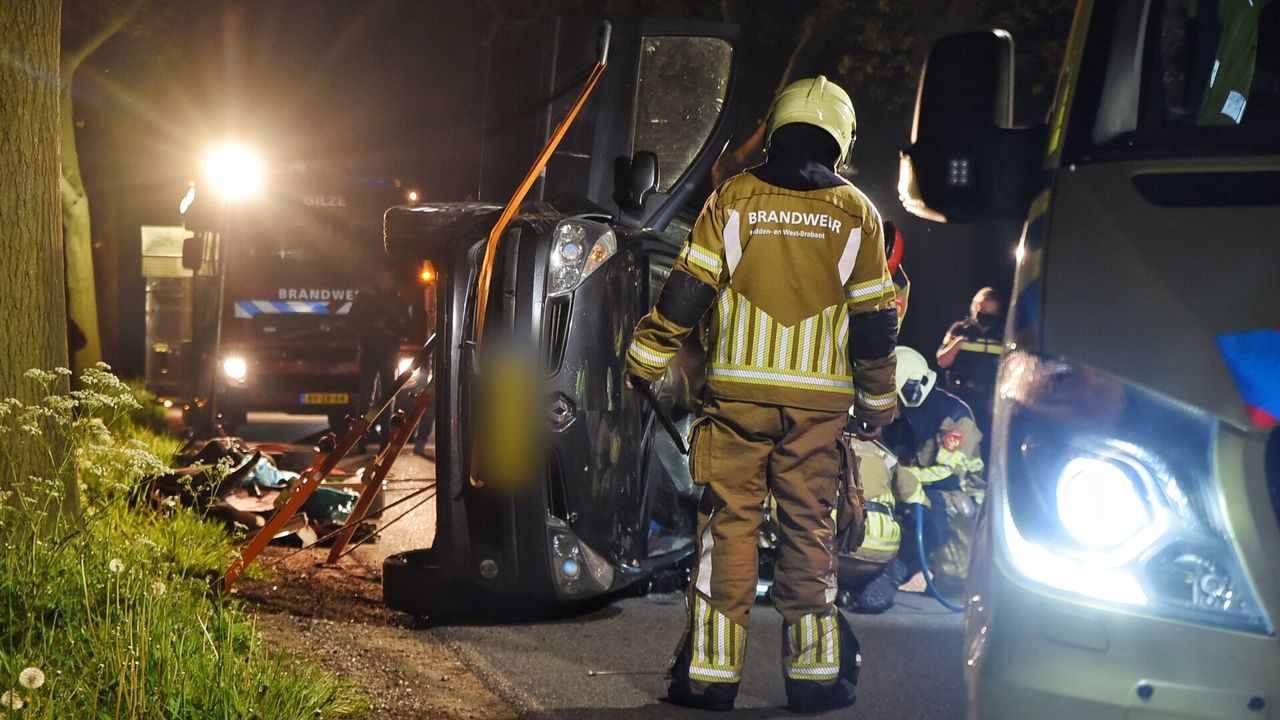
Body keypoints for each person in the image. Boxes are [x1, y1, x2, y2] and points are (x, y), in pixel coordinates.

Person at [625, 75, 898, 713]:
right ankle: (815, 680)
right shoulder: (857, 211)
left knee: (729, 529)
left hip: (737, 402)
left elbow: (688, 291)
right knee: (810, 534)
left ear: (776, 127)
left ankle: (711, 679)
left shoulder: (735, 198)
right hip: (819, 412)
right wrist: (879, 402)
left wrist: (647, 357)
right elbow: (875, 321)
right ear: (841, 138)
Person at [884, 346, 986, 595]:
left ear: (909, 389)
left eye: (888, 395)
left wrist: (901, 477)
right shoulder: (905, 421)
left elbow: (948, 477)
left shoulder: (955, 419)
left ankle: (921, 569)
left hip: (958, 500)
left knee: (933, 503)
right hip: (919, 491)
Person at [348, 264, 410, 445]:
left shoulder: (398, 302)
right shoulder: (365, 300)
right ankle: (360, 441)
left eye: (389, 279)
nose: (386, 282)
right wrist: (373, 325)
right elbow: (352, 322)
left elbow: (406, 328)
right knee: (365, 398)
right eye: (383, 278)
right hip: (369, 353)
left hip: (389, 355)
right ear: (377, 279)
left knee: (387, 398)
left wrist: (391, 328)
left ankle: (384, 441)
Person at [935, 287, 1003, 443]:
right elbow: (942, 361)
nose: (987, 315)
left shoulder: (1002, 335)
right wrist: (961, 341)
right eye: (984, 309)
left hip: (991, 403)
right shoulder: (959, 329)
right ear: (975, 308)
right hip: (962, 398)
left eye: (992, 313)